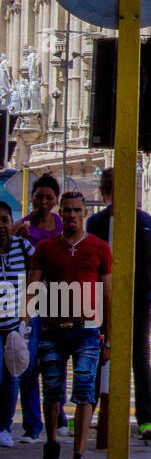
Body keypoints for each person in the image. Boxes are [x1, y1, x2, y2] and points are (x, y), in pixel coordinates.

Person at [29, 191, 111, 459]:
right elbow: (32, 288)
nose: (72, 215)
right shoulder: (46, 248)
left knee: (85, 392)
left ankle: (78, 456)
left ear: (84, 213)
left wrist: (109, 336)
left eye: (77, 210)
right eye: (67, 210)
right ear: (60, 213)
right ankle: (52, 443)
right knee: (52, 392)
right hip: (52, 329)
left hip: (87, 330)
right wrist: (26, 327)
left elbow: (108, 294)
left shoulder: (99, 248)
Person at [86, 168, 151, 440]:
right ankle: (146, 422)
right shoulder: (146, 220)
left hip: (101, 298)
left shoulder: (96, 222)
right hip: (139, 298)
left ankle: (88, 413)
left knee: (96, 357)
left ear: (104, 191)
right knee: (140, 360)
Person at [13, 174, 65, 440]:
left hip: (59, 300)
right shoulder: (21, 227)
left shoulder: (62, 226)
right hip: (31, 302)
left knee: (56, 360)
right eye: (39, 196)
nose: (43, 202)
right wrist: (14, 233)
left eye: (49, 197)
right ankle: (33, 426)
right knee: (29, 364)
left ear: (55, 201)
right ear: (32, 198)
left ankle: (60, 417)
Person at [0, 202, 31, 448]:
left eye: (5, 220)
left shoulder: (22, 247)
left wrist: (27, 318)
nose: (1, 225)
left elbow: (41, 273)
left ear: (12, 223)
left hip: (15, 326)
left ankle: (5, 428)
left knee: (12, 376)